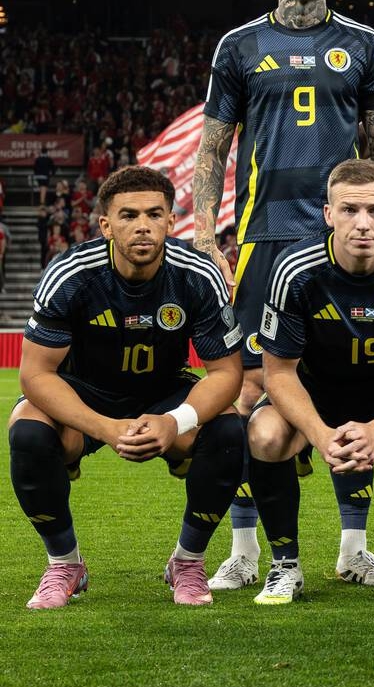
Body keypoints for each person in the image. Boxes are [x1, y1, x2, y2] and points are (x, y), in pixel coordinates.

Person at [195, 0, 374, 591]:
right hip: (266, 239)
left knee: (356, 388)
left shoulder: (363, 43)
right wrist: (207, 234)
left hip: (346, 244)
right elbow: (212, 148)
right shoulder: (240, 45)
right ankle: (245, 550)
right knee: (251, 390)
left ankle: (351, 548)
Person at [9, 166, 244, 609]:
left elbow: (227, 374)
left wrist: (176, 422)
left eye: (155, 214)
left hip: (164, 392)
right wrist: (104, 427)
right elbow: (36, 375)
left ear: (172, 221)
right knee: (27, 432)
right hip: (84, 392)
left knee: (230, 430)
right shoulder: (71, 273)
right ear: (105, 225)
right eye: (128, 215)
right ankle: (65, 563)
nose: (142, 226)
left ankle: (188, 562)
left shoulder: (197, 273)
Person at [246, 159, 374, 605]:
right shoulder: (294, 269)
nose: (363, 223)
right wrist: (319, 436)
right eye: (349, 210)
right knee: (263, 434)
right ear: (328, 214)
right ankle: (285, 566)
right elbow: (277, 373)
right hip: (315, 392)